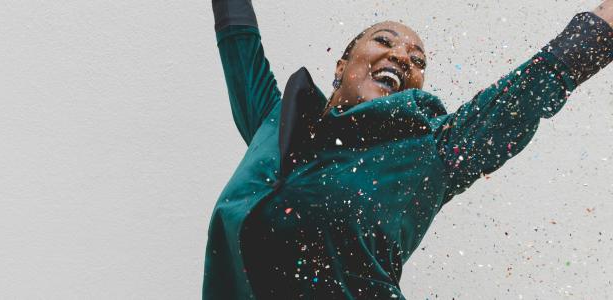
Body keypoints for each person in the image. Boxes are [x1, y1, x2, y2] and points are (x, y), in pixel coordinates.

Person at [203, 0, 613, 298]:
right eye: (385, 40)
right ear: (342, 63)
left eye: (417, 60)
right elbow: (239, 35)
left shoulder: (429, 153)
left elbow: (526, 91)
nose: (401, 56)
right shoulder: (272, 122)